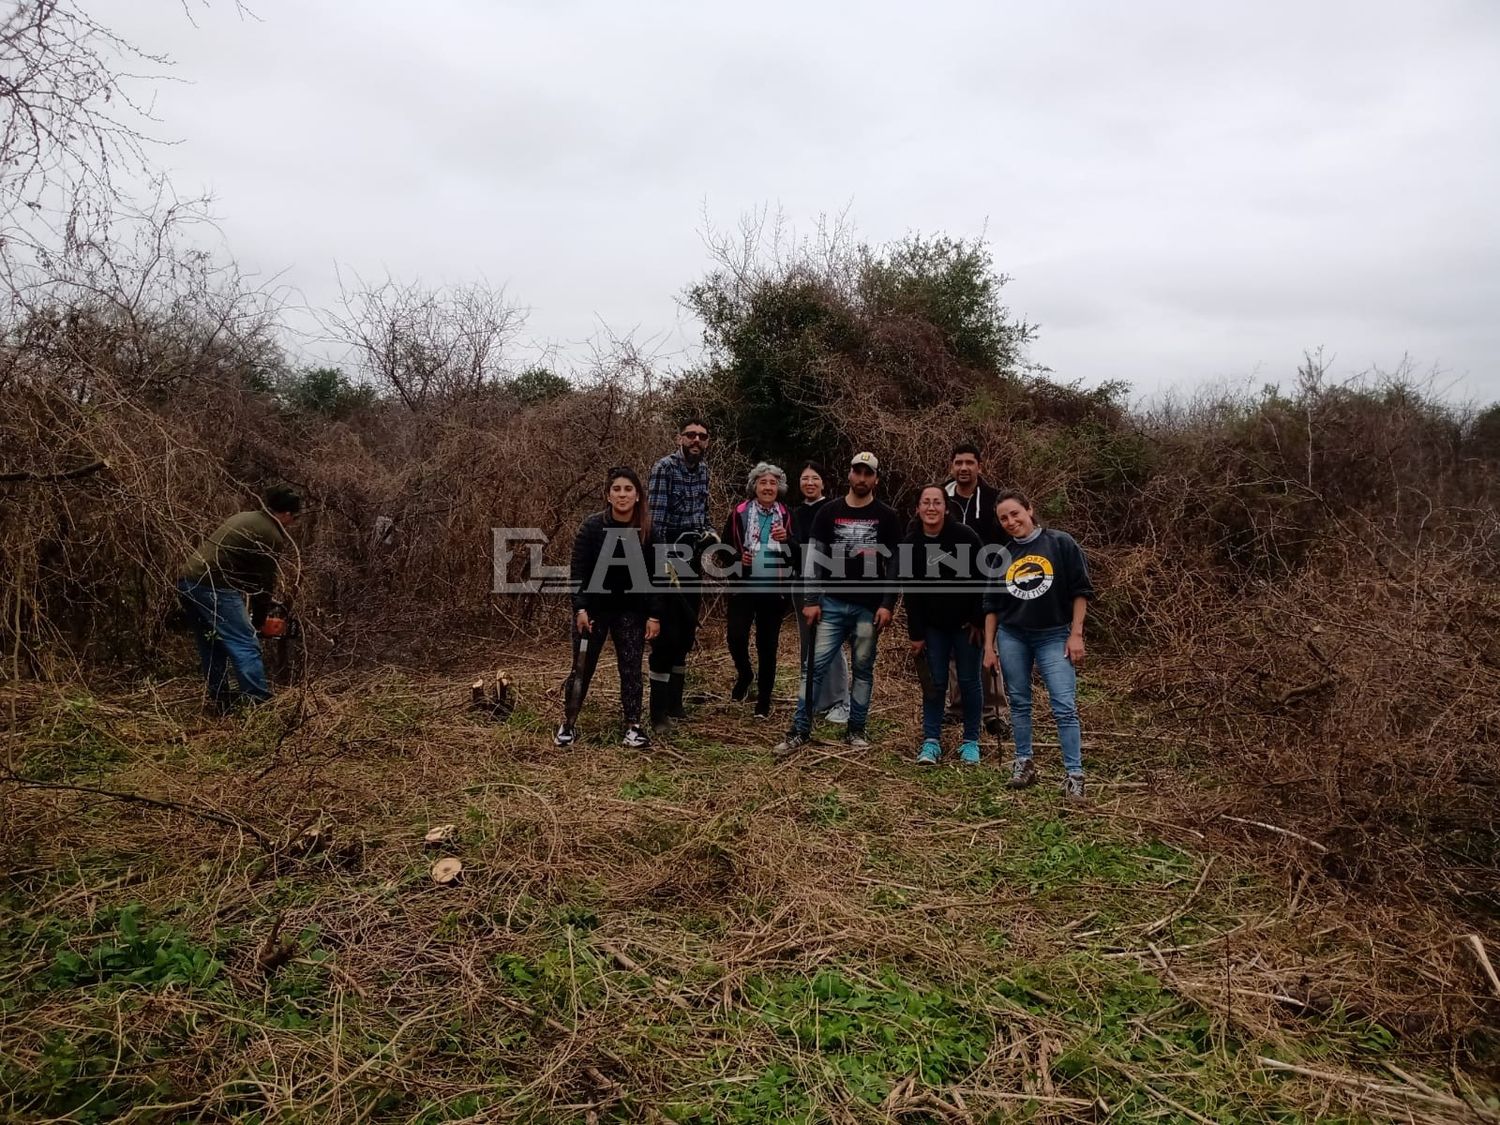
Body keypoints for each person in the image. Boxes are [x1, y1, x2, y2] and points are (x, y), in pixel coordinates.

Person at [775, 452, 902, 757]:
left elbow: (896, 562)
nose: (861, 478)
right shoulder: (829, 511)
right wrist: (810, 599)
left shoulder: (887, 516)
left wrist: (888, 603)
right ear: (849, 475)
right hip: (830, 603)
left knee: (863, 671)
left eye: (868, 473)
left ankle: (856, 729)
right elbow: (814, 558)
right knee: (812, 669)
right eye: (857, 471)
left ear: (876, 479)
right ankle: (800, 730)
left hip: (868, 609)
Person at [982, 489, 1095, 799]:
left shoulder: (1060, 543)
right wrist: (989, 647)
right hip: (1013, 635)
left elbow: (1080, 591)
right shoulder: (1000, 555)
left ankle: (1074, 774)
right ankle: (1024, 762)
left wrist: (1076, 634)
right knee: (1019, 701)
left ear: (1029, 510)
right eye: (1003, 518)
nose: (1010, 521)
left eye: (1015, 513)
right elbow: (991, 605)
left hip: (1054, 635)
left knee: (1064, 705)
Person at [556, 467, 661, 748]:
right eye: (617, 489)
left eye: (628, 489)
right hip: (594, 611)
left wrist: (654, 615)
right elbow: (578, 571)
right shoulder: (592, 527)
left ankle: (633, 726)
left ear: (638, 495)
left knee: (630, 668)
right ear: (608, 495)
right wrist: (580, 609)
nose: (623, 495)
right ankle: (568, 723)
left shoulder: (649, 531)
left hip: (632, 612)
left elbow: (657, 577)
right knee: (582, 667)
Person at [176, 485, 299, 712]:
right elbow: (265, 583)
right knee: (246, 644)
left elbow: (241, 567)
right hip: (213, 586)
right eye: (293, 518)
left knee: (212, 644)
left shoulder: (246, 517)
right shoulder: (271, 534)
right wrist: (259, 621)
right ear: (287, 514)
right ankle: (260, 706)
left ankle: (221, 700)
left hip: (188, 580)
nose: (292, 523)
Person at [903, 485, 986, 766]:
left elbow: (983, 580)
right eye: (925, 502)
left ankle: (971, 741)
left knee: (968, 681)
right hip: (933, 627)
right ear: (918, 508)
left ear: (946, 507)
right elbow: (910, 593)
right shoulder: (911, 543)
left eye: (936, 502)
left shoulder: (965, 536)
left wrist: (978, 619)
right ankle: (931, 741)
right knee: (935, 682)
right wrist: (916, 634)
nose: (931, 507)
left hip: (966, 626)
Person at [646, 418, 712, 733]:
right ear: (679, 438)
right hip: (668, 556)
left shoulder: (703, 471)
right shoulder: (664, 468)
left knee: (685, 633)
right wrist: (663, 560)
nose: (696, 440)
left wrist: (708, 533)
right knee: (667, 635)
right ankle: (657, 713)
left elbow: (704, 513)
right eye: (691, 435)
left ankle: (675, 703)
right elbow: (655, 521)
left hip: (693, 558)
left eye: (702, 436)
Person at [943, 442, 1007, 734]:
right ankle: (957, 707)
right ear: (952, 466)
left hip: (987, 584)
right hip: (948, 586)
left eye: (969, 462)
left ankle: (993, 711)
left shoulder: (994, 499)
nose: (964, 468)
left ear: (979, 466)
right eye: (959, 463)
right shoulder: (941, 497)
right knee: (956, 648)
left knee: (987, 644)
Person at [722, 462, 792, 720]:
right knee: (735, 636)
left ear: (779, 488)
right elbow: (723, 551)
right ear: (754, 486)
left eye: (773, 483)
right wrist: (739, 562)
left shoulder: (786, 514)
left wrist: (787, 540)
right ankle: (745, 673)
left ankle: (763, 701)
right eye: (763, 482)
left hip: (774, 589)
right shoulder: (738, 512)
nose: (768, 487)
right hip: (743, 587)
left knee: (767, 645)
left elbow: (797, 552)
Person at [789, 461, 850, 724]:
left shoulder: (833, 510)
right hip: (800, 583)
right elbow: (791, 551)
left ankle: (840, 700)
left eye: (815, 478)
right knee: (808, 644)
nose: (809, 483)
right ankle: (814, 699)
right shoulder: (793, 513)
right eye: (805, 479)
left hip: (827, 583)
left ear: (823, 483)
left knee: (831, 643)